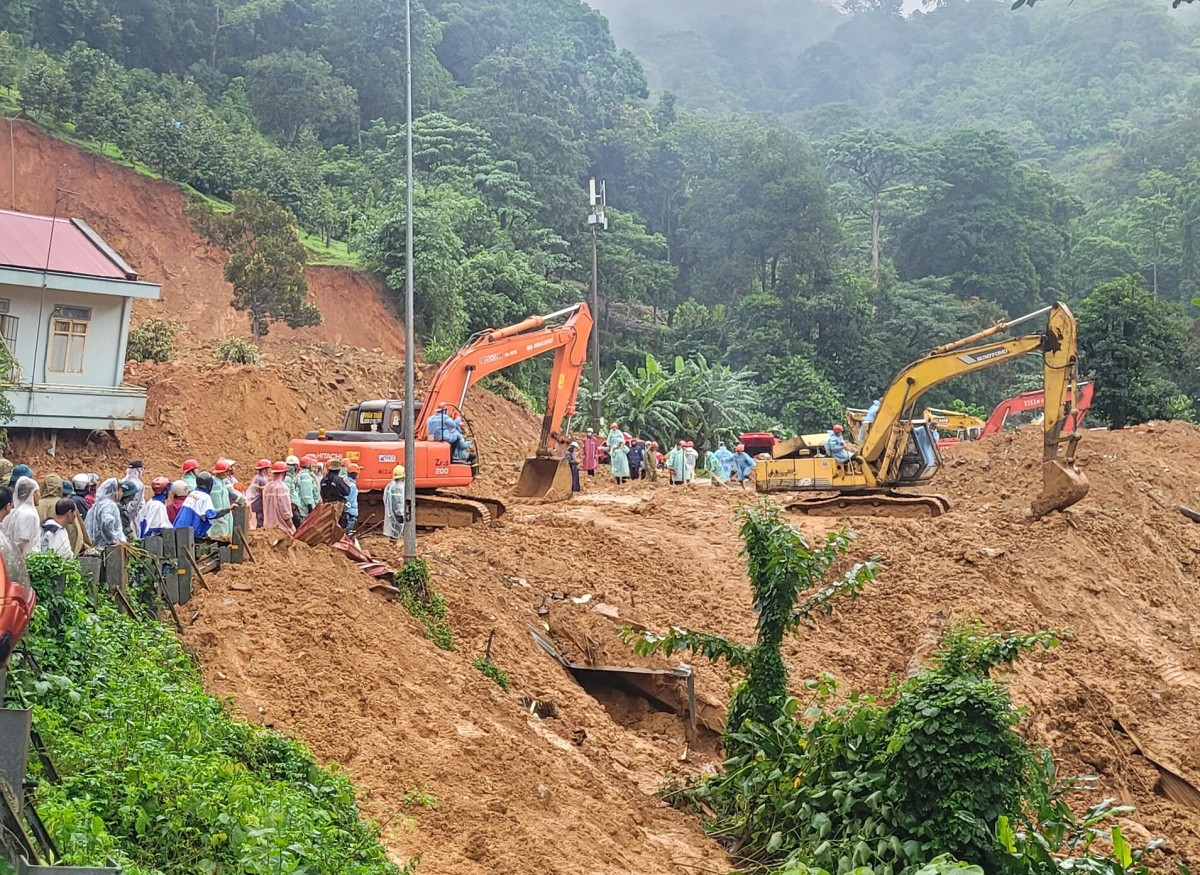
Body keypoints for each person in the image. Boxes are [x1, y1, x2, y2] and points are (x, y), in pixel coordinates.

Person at [174, 473, 231, 539]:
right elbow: (211, 515)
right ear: (209, 485)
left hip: (177, 529)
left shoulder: (192, 494)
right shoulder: (205, 497)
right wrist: (228, 510)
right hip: (189, 534)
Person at [4, 477, 40, 560]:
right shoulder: (28, 514)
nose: (39, 495)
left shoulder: (18, 510)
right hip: (28, 560)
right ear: (33, 494)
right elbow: (21, 543)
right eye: (38, 491)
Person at [85, 478, 127, 549]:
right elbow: (106, 523)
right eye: (121, 491)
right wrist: (113, 540)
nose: (122, 494)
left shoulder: (98, 504)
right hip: (108, 548)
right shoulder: (110, 505)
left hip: (97, 546)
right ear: (115, 491)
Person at [262, 462, 295, 534]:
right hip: (281, 528)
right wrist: (291, 525)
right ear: (284, 473)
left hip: (268, 527)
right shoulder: (282, 488)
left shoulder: (267, 487)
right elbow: (284, 509)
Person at [209, 460, 235, 542]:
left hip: (225, 514)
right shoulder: (215, 484)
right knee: (219, 539)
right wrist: (220, 516)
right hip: (219, 517)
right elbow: (216, 502)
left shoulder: (222, 482)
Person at [383, 464, 406, 540]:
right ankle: (393, 544)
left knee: (394, 529)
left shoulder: (390, 485)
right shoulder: (399, 487)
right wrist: (400, 514)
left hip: (391, 511)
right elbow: (399, 502)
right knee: (397, 530)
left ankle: (393, 543)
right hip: (398, 512)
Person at [246, 459, 270, 529]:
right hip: (256, 499)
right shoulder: (262, 479)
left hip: (253, 499)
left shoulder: (258, 477)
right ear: (264, 469)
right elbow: (263, 492)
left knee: (259, 515)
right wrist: (265, 503)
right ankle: (260, 528)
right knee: (260, 516)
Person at [297, 456, 319, 520]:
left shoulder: (301, 474)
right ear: (309, 465)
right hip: (305, 510)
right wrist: (311, 507)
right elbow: (306, 494)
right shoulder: (305, 476)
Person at [344, 464, 360, 536]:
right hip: (350, 511)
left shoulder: (345, 480)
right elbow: (350, 499)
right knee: (349, 529)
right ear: (355, 474)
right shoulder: (352, 486)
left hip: (346, 510)